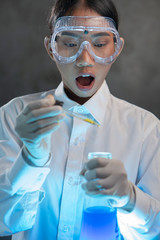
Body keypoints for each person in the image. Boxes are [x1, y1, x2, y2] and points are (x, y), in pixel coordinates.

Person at [0, 0, 160, 239]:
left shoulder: (146, 128)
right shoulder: (14, 115)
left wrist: (129, 197)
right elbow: (4, 222)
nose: (85, 58)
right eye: (70, 43)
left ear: (117, 48)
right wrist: (31, 158)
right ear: (50, 48)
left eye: (100, 44)